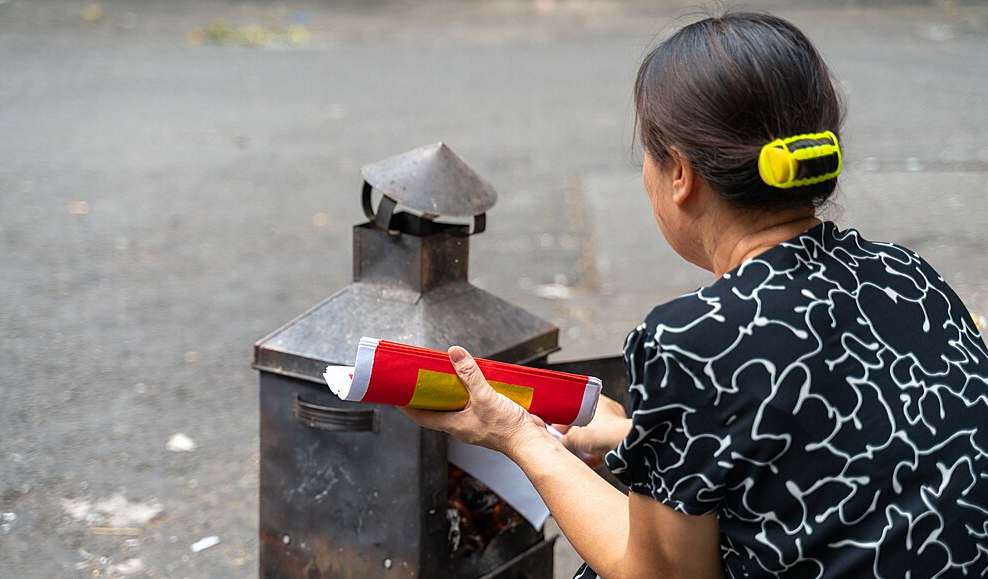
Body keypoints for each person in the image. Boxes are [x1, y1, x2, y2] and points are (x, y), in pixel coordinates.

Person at [402, 10, 988, 578]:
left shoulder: (694, 340)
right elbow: (834, 443)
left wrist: (517, 435)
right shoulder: (908, 276)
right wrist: (634, 437)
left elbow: (656, 574)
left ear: (679, 174)